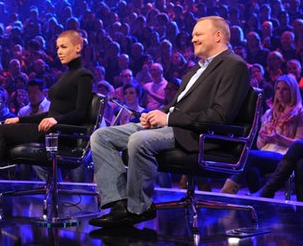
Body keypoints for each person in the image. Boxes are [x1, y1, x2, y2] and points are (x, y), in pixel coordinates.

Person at [88, 16, 249, 227]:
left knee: (138, 140)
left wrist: (169, 118)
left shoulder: (234, 65)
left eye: (198, 34)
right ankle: (118, 204)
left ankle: (138, 209)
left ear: (218, 36)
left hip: (198, 134)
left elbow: (220, 116)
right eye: (193, 35)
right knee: (101, 136)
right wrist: (154, 115)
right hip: (173, 125)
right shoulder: (195, 69)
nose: (193, 39)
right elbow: (176, 105)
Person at [0, 30, 94, 213]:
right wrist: (19, 118)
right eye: (57, 48)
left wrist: (56, 120)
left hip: (61, 132)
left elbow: (81, 112)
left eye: (64, 47)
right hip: (49, 127)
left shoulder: (84, 75)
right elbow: (50, 114)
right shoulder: (65, 76)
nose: (59, 51)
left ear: (78, 47)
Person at [220, 74, 303, 194]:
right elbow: (259, 145)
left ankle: (227, 191)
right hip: (265, 152)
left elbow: (299, 144)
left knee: (249, 155)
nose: (280, 92)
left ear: (293, 91)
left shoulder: (300, 113)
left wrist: (278, 138)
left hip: (284, 155)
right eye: (278, 89)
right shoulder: (270, 113)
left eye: (285, 89)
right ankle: (261, 200)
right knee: (252, 170)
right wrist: (264, 138)